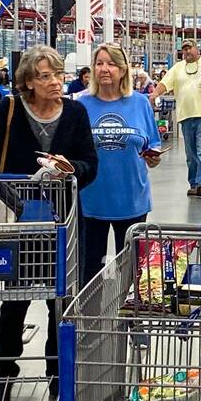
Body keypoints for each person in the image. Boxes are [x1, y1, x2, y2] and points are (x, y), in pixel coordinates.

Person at [0, 46, 97, 401]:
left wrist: (69, 169)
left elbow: (90, 164)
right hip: (18, 219)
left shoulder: (75, 113)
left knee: (61, 301)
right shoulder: (7, 110)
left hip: (64, 218)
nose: (56, 82)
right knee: (14, 299)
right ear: (27, 82)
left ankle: (59, 378)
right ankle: (4, 376)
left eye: (58, 74)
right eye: (45, 76)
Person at [76, 43, 161, 287]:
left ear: (123, 70)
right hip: (91, 201)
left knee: (132, 271)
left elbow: (151, 142)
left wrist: (153, 158)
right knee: (90, 273)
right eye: (99, 63)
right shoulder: (80, 105)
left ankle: (128, 318)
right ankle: (91, 321)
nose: (105, 69)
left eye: (111, 63)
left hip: (132, 199)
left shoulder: (140, 103)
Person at [149, 38, 201, 197]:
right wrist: (154, 94)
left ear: (197, 49)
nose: (187, 51)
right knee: (191, 153)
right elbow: (165, 83)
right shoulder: (178, 68)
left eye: (189, 48)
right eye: (184, 49)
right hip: (185, 116)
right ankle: (194, 184)